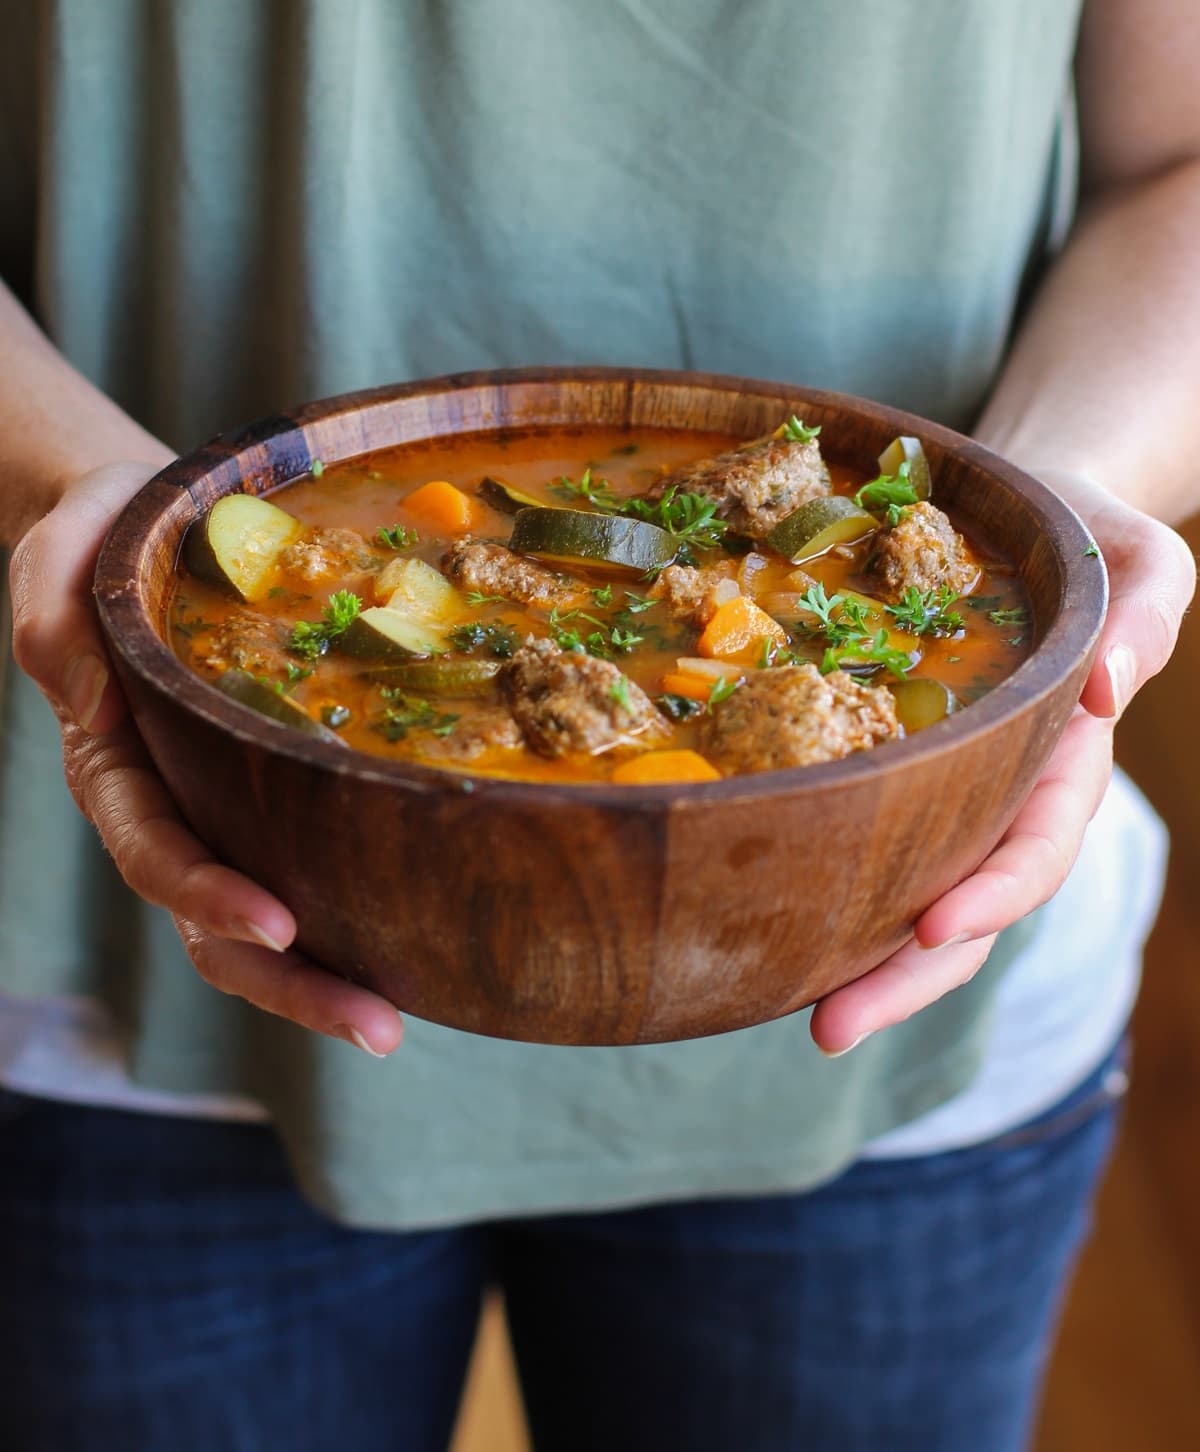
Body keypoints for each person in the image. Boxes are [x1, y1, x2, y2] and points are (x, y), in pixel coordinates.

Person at [0, 1, 1195, 1448]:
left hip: (905, 939)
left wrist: (1048, 503)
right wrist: (64, 474)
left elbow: (1179, 155)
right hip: (118, 967)